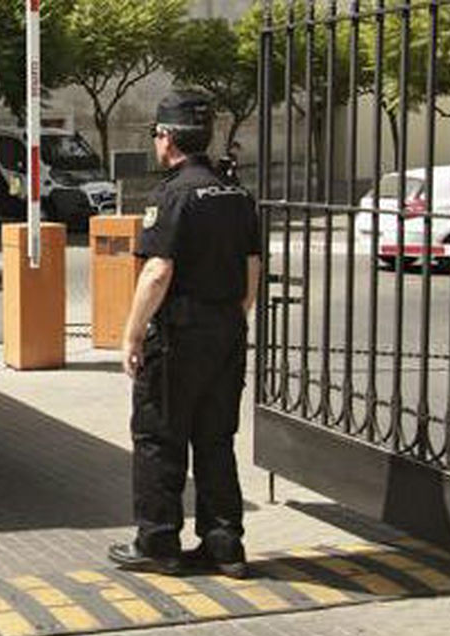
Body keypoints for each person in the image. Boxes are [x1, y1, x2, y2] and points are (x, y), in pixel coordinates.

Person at [107, 90, 262, 579]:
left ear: (168, 137)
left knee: (159, 437)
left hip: (179, 334)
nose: (155, 142)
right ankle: (224, 545)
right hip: (227, 329)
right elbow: (252, 267)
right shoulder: (235, 192)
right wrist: (233, 316)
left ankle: (157, 542)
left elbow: (157, 271)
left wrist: (131, 337)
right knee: (216, 438)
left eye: (155, 133)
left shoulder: (172, 194)